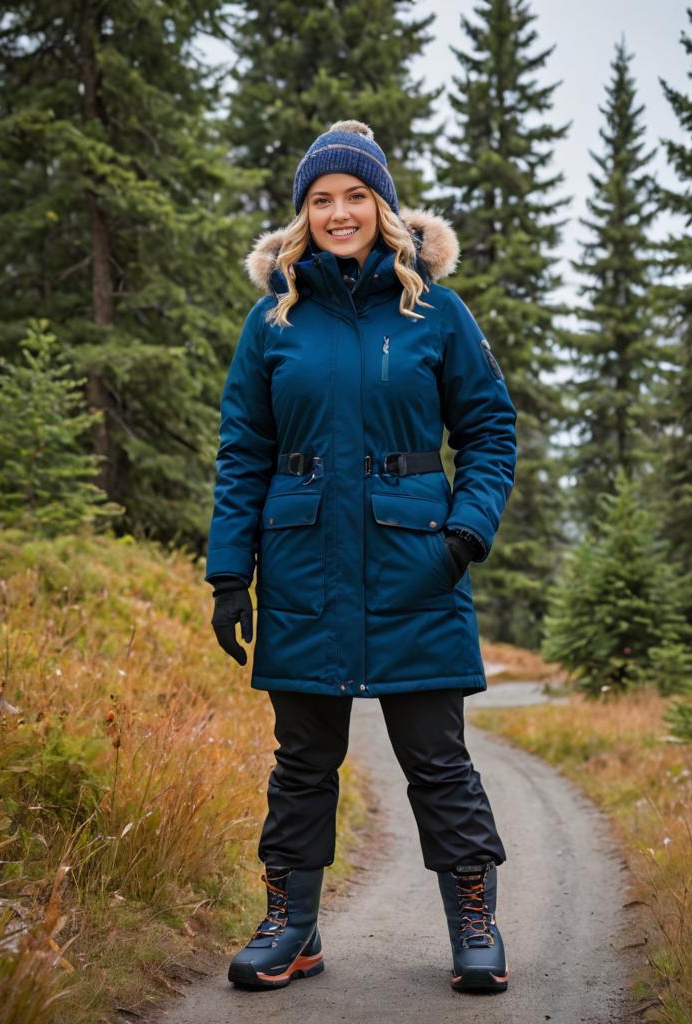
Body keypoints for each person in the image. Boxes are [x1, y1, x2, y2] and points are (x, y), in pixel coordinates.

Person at [205, 120, 517, 994]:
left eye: (354, 196)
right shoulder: (273, 321)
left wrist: (466, 531)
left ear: (382, 206)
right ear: (303, 216)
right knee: (302, 763)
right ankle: (291, 928)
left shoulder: (437, 313)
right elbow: (243, 451)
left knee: (437, 760)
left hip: (420, 564)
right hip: (303, 567)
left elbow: (491, 430)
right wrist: (230, 573)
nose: (339, 213)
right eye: (320, 200)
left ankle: (474, 922)